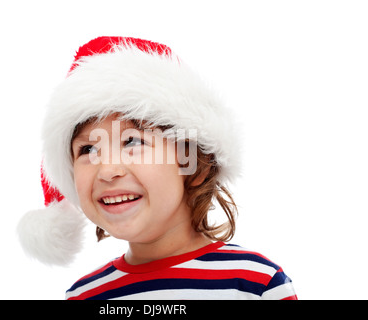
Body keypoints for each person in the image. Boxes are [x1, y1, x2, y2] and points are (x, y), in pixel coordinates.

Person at [17, 36, 297, 300]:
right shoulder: (84, 295)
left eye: (132, 142)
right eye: (88, 149)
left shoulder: (255, 285)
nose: (107, 170)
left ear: (194, 167)